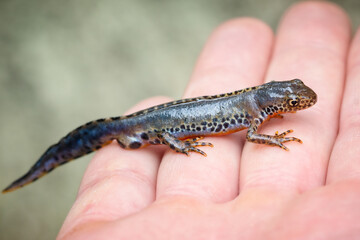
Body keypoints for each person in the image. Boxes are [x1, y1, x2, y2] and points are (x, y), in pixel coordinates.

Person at [57, 1, 360, 239]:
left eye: (292, 103)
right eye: (293, 103)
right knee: (152, 129)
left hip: (165, 119)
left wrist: (279, 112)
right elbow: (253, 137)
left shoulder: (259, 102)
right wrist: (275, 138)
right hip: (159, 125)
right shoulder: (255, 111)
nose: (296, 105)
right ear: (273, 99)